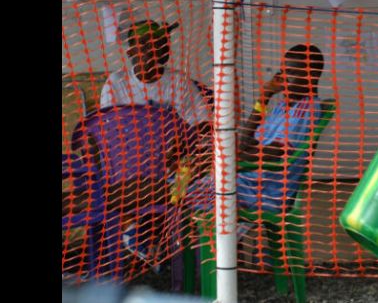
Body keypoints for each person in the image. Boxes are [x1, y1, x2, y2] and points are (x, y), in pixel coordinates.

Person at [99, 18, 212, 266]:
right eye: (146, 45)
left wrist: (182, 145)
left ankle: (149, 236)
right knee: (134, 187)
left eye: (161, 44)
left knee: (198, 177)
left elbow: (202, 125)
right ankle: (144, 235)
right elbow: (110, 136)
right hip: (130, 165)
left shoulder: (179, 81)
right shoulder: (116, 83)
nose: (155, 50)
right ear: (131, 51)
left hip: (175, 167)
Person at [186, 44, 324, 216]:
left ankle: (222, 241)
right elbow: (246, 140)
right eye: (281, 71)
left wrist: (226, 159)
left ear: (312, 75)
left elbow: (276, 152)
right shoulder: (282, 106)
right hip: (247, 179)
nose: (282, 78)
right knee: (179, 185)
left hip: (265, 191)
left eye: (291, 72)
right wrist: (264, 97)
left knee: (182, 195)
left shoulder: (306, 109)